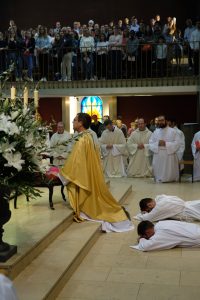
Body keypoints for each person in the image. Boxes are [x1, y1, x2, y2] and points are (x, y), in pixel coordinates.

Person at [59, 113, 133, 232]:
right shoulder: (87, 136)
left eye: (74, 120)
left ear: (81, 123)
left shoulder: (83, 138)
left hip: (84, 172)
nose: (73, 122)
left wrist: (62, 173)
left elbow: (77, 162)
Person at [131, 220, 200, 251]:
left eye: (145, 237)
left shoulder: (159, 235)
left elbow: (146, 247)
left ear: (147, 232)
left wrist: (141, 239)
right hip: (195, 228)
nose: (148, 238)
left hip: (196, 237)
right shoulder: (160, 223)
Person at [149, 115, 180, 182]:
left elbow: (177, 143)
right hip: (158, 154)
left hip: (169, 155)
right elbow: (150, 143)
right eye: (159, 120)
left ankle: (169, 178)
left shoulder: (173, 131)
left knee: (168, 171)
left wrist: (166, 144)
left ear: (166, 121)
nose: (160, 122)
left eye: (162, 120)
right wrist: (157, 143)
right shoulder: (155, 132)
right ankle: (158, 178)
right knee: (159, 172)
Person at [135, 194, 200, 222]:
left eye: (149, 210)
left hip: (187, 211)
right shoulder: (160, 197)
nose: (151, 211)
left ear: (149, 205)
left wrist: (144, 213)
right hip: (188, 204)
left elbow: (148, 218)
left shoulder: (159, 207)